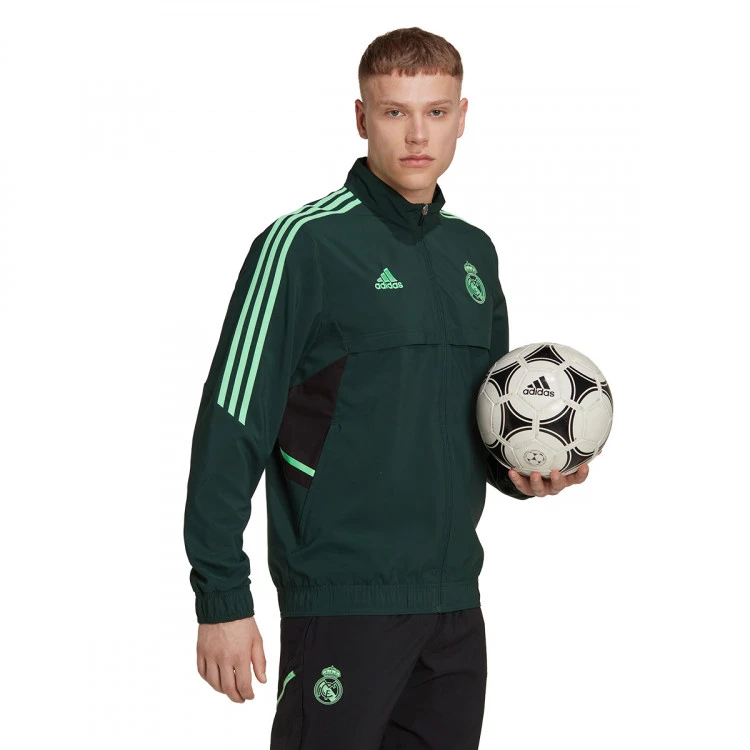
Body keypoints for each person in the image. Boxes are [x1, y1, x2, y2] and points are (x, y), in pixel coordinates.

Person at [183, 26, 591, 750]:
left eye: (436, 111)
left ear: (462, 117)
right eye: (395, 111)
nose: (417, 134)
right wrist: (222, 596)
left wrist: (525, 473)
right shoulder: (304, 245)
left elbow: (477, 421)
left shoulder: (473, 251)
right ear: (361, 117)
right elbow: (231, 422)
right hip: (342, 601)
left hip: (454, 605)